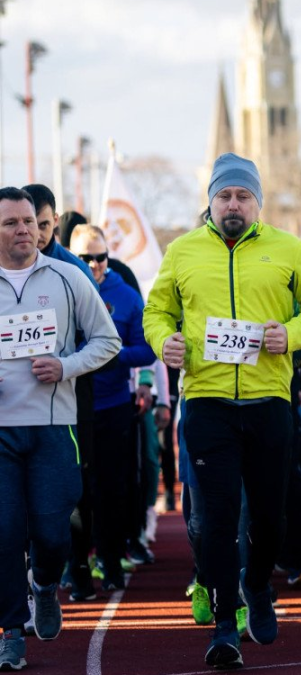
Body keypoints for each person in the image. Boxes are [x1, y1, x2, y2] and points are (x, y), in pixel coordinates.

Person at [143, 153, 301, 669]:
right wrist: (167, 341)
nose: (234, 204)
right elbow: (157, 311)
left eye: (243, 196)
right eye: (225, 195)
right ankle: (226, 625)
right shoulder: (182, 252)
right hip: (207, 401)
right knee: (218, 519)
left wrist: (289, 335)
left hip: (268, 400)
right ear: (210, 201)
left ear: (257, 203)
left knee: (269, 516)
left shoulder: (287, 248)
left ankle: (258, 583)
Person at [0, 187, 120, 672]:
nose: (24, 230)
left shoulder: (68, 277)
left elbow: (107, 340)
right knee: (5, 533)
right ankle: (11, 630)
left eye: (29, 220)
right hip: (2, 433)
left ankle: (45, 585)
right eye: (11, 223)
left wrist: (66, 366)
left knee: (53, 534)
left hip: (53, 427)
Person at [68, 224, 156, 593]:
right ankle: (78, 567)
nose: (95, 265)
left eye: (101, 256)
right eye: (85, 258)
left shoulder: (127, 296)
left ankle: (111, 559)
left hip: (115, 406)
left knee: (114, 489)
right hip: (71, 409)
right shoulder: (63, 288)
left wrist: (112, 355)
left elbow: (148, 349)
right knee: (76, 492)